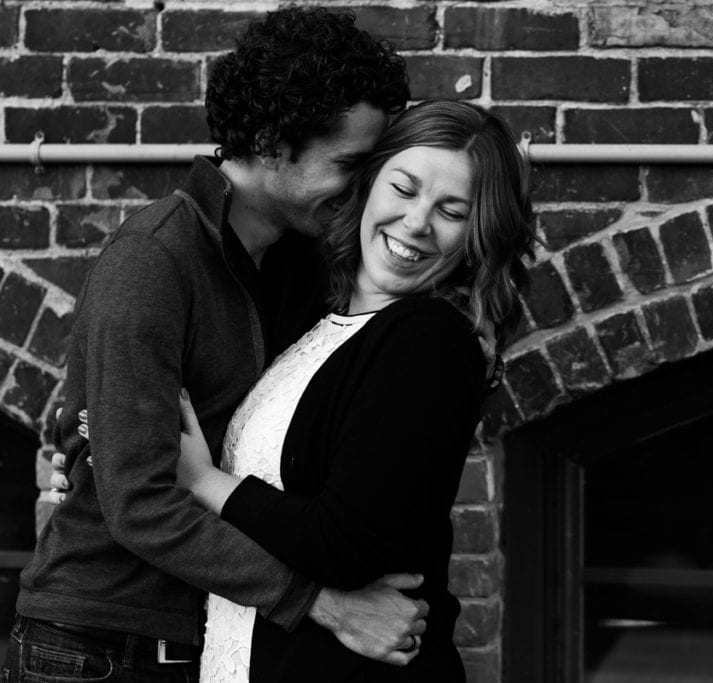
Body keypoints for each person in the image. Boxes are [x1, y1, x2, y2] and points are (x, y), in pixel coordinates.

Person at [4, 6, 429, 682]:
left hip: (210, 643)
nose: (364, 188)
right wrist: (322, 602)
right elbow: (140, 502)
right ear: (270, 143)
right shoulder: (154, 258)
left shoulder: (302, 268)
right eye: (349, 163)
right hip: (98, 650)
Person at [173, 99, 536, 681]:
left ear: (477, 237)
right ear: (367, 184)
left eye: (451, 211)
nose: (416, 223)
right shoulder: (315, 317)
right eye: (403, 189)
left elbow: (345, 545)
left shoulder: (429, 340)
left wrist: (199, 480)